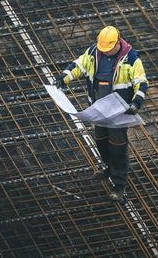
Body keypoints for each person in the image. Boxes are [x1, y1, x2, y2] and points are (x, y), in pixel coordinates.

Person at [55, 25, 148, 201]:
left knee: (118, 146)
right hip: (99, 109)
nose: (104, 52)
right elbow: (78, 65)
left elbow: (141, 83)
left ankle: (119, 185)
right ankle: (109, 168)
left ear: (117, 42)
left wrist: (136, 103)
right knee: (101, 141)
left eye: (108, 49)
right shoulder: (94, 52)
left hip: (119, 112)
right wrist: (64, 77)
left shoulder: (131, 59)